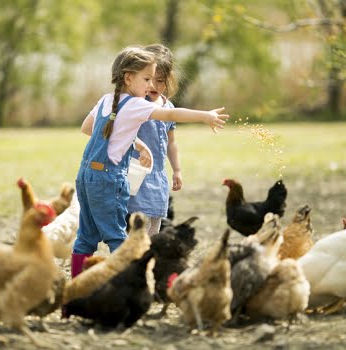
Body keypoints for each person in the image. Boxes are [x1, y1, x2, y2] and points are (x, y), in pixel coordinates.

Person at [71, 46, 228, 277]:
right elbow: (172, 115)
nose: (150, 85)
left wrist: (135, 143)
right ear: (128, 77)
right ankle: (122, 289)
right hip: (108, 179)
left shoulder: (106, 100)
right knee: (119, 239)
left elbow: (89, 128)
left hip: (86, 177)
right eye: (146, 79)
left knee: (85, 238)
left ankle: (75, 290)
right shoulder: (136, 104)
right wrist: (205, 116)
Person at [127, 44, 181, 236]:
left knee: (156, 220)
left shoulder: (169, 106)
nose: (154, 86)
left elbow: (171, 142)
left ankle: (149, 254)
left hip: (158, 173)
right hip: (136, 170)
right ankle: (132, 254)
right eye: (149, 80)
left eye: (161, 81)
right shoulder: (136, 104)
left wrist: (177, 170)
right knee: (134, 219)